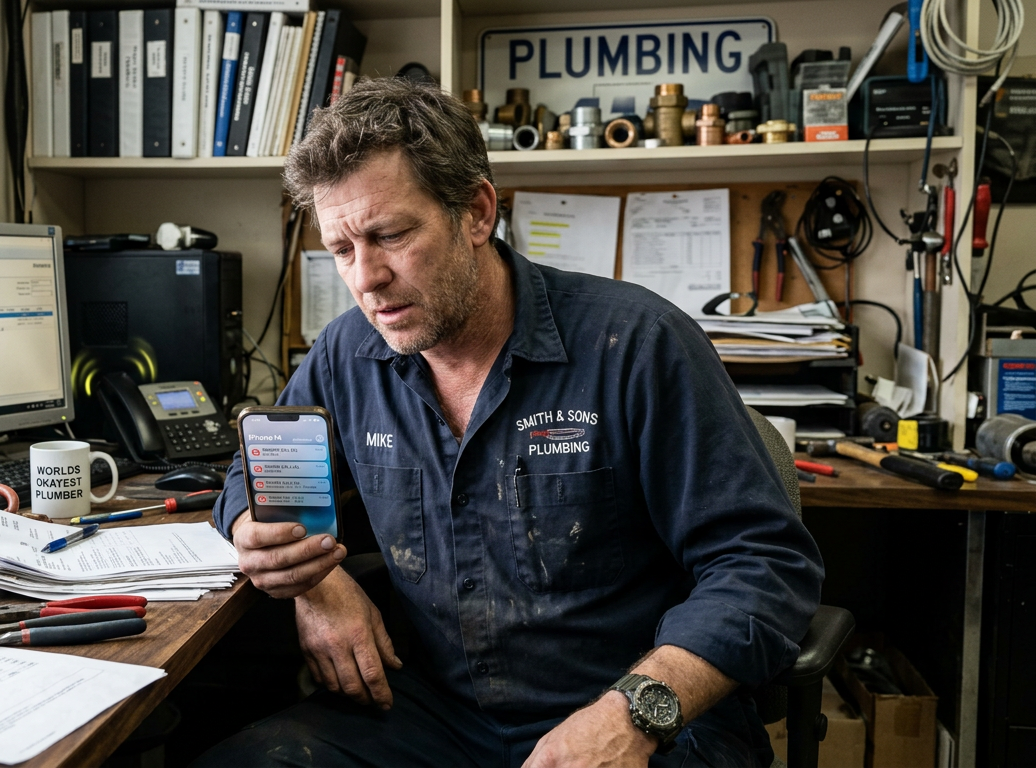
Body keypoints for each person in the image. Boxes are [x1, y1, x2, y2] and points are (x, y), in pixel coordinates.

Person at [201, 77, 824, 768]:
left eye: (390, 235)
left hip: (636, 710)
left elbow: (763, 564)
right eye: (341, 249)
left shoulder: (637, 344)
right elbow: (252, 478)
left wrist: (632, 715)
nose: (365, 278)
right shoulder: (348, 352)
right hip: (434, 712)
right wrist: (314, 581)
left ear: (476, 212)